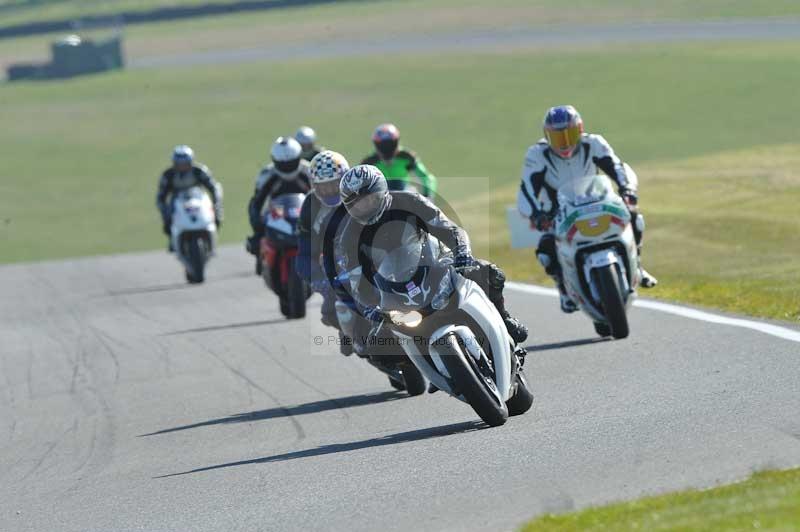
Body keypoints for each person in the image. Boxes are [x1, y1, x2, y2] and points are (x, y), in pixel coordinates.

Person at [335, 165, 528, 346]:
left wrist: (462, 254)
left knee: (488, 272)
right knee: (378, 346)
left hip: (435, 263)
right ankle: (426, 377)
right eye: (358, 204)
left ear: (382, 190)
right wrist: (369, 308)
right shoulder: (348, 238)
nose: (366, 206)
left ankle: (504, 318)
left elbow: (450, 229)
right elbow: (357, 282)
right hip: (392, 291)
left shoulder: (410, 201)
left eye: (370, 198)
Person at [517, 105, 658, 313]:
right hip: (559, 213)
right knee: (546, 248)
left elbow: (617, 167)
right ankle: (564, 289)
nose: (564, 142)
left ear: (580, 129)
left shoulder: (594, 143)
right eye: (557, 137)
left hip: (598, 202)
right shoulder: (537, 155)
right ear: (546, 136)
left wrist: (627, 189)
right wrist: (537, 214)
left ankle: (637, 265)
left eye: (570, 134)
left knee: (635, 218)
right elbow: (527, 190)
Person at [296, 150, 351, 331]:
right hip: (335, 266)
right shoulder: (310, 206)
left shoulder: (360, 192)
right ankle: (349, 333)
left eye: (334, 184)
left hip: (369, 256)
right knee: (329, 312)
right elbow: (304, 253)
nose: (330, 191)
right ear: (314, 186)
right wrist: (318, 279)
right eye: (324, 187)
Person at [246, 137, 312, 256]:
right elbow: (256, 203)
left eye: (290, 163)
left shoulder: (309, 171)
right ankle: (263, 261)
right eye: (283, 164)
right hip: (277, 215)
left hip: (304, 213)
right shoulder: (267, 175)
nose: (287, 167)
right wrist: (258, 226)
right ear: (275, 161)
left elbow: (322, 196)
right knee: (257, 240)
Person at [156, 145, 223, 252]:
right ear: (174, 163)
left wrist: (216, 203)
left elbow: (214, 187)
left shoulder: (199, 171)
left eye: (185, 163)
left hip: (198, 199)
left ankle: (210, 239)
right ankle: (173, 241)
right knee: (168, 220)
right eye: (179, 164)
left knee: (217, 217)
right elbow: (161, 196)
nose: (182, 166)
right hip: (177, 200)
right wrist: (164, 210)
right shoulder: (168, 175)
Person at [360, 123, 437, 199]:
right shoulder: (370, 162)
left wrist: (427, 196)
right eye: (383, 145)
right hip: (380, 197)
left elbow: (426, 178)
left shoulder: (406, 157)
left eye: (390, 144)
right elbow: (358, 182)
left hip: (405, 193)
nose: (387, 149)